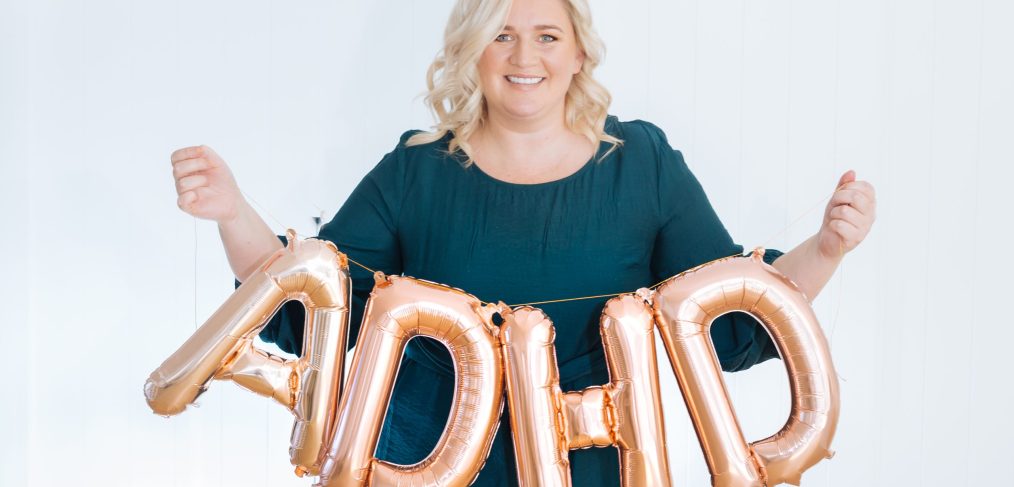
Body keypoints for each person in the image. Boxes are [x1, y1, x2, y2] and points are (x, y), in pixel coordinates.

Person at [168, 0, 877, 484]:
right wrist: (233, 211)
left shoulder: (643, 165)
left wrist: (827, 246)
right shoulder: (416, 171)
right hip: (426, 464)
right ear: (471, 52)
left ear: (577, 54)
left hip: (588, 466)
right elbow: (308, 316)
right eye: (501, 34)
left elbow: (733, 328)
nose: (523, 55)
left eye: (546, 34)